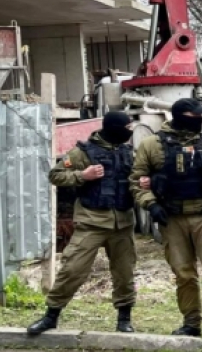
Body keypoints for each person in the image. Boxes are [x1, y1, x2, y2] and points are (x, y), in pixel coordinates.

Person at [131, 98, 202, 343]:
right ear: (181, 116)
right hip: (172, 218)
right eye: (196, 115)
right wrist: (151, 204)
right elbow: (137, 180)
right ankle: (191, 323)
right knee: (183, 273)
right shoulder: (151, 145)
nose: (201, 120)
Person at [28, 112, 137, 335]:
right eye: (127, 126)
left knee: (124, 274)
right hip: (92, 222)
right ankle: (51, 316)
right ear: (115, 127)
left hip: (122, 224)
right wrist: (82, 175)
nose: (131, 129)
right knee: (73, 269)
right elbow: (55, 175)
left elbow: (138, 178)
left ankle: (124, 319)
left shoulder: (129, 153)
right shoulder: (84, 152)